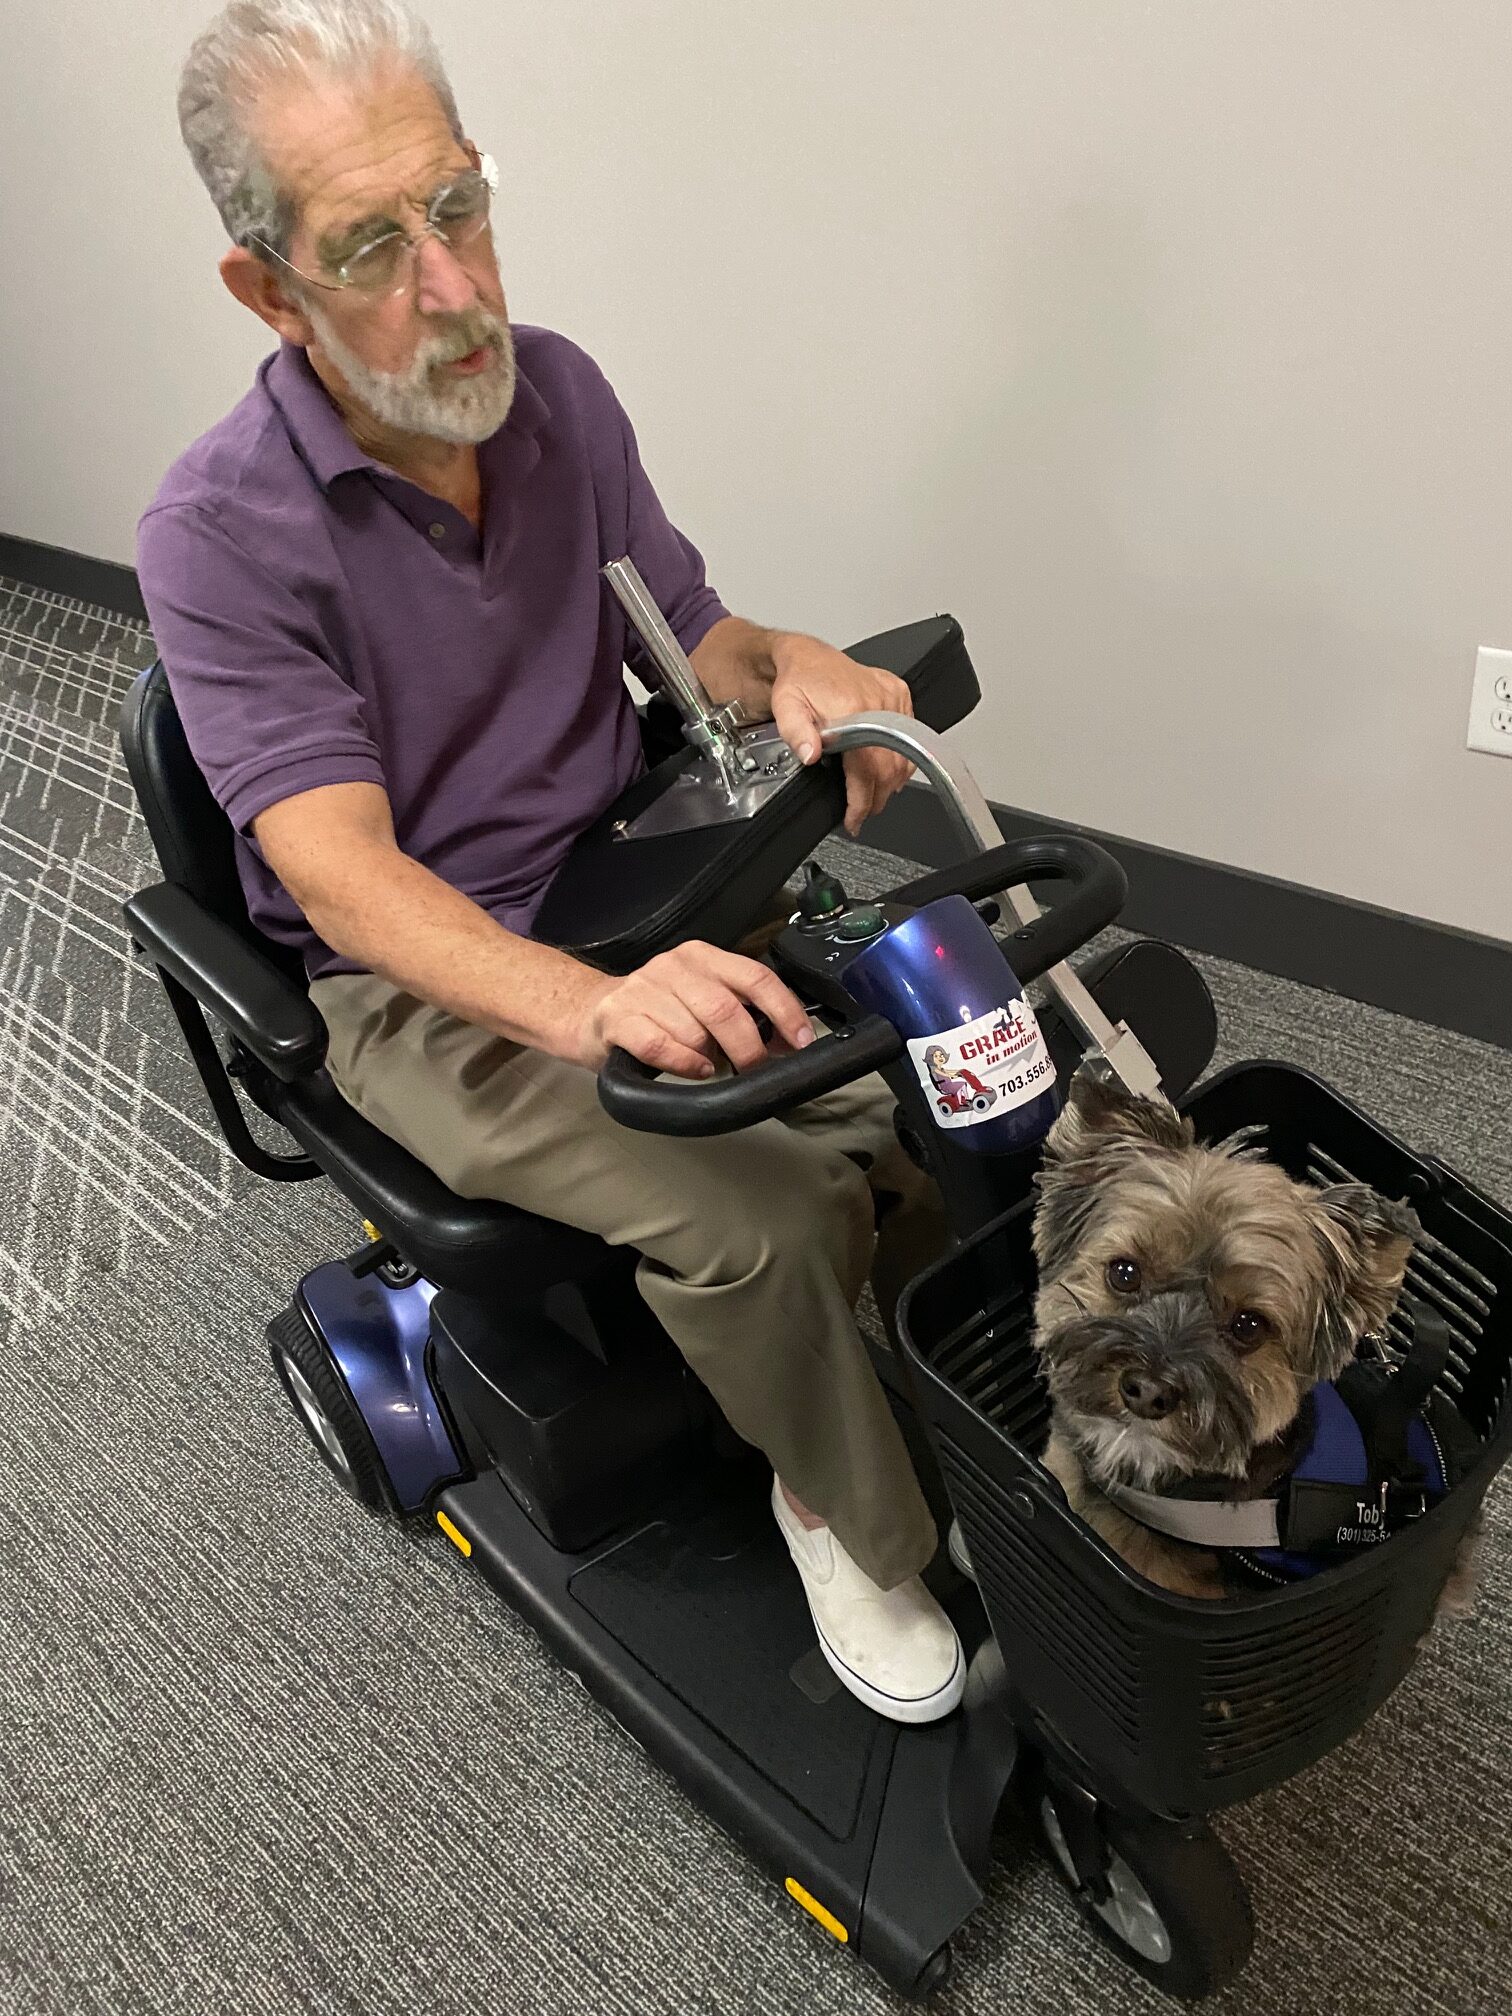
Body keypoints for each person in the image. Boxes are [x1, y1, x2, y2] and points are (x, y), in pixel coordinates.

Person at [138, 0, 963, 1724]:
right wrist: (593, 1011)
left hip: (636, 868)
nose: (453, 287)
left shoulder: (558, 394)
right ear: (268, 290)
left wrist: (793, 666)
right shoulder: (217, 537)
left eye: (457, 204)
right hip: (424, 982)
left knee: (939, 1058)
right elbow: (347, 879)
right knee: (759, 1209)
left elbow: (696, 634)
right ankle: (848, 1516)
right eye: (372, 244)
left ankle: (895, 1372)